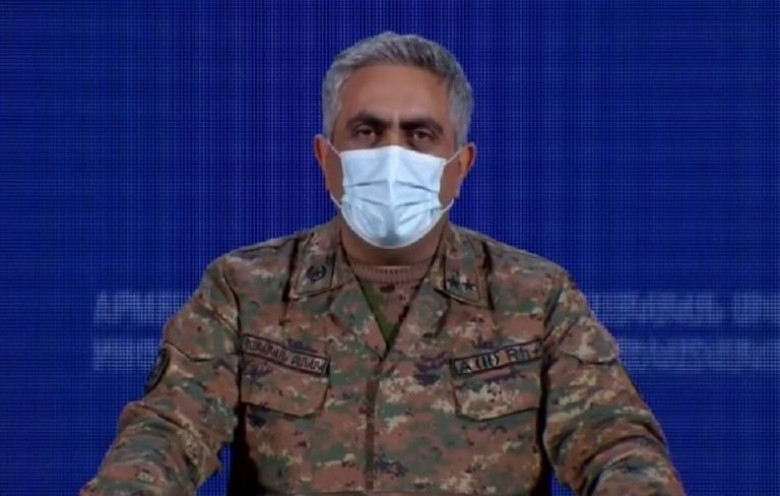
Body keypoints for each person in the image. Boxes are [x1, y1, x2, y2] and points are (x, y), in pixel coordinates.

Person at [81, 32, 685, 496]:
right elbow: (166, 436)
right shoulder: (243, 291)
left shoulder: (537, 297)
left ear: (461, 166)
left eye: (420, 134)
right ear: (326, 158)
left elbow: (613, 441)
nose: (393, 153)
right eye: (367, 131)